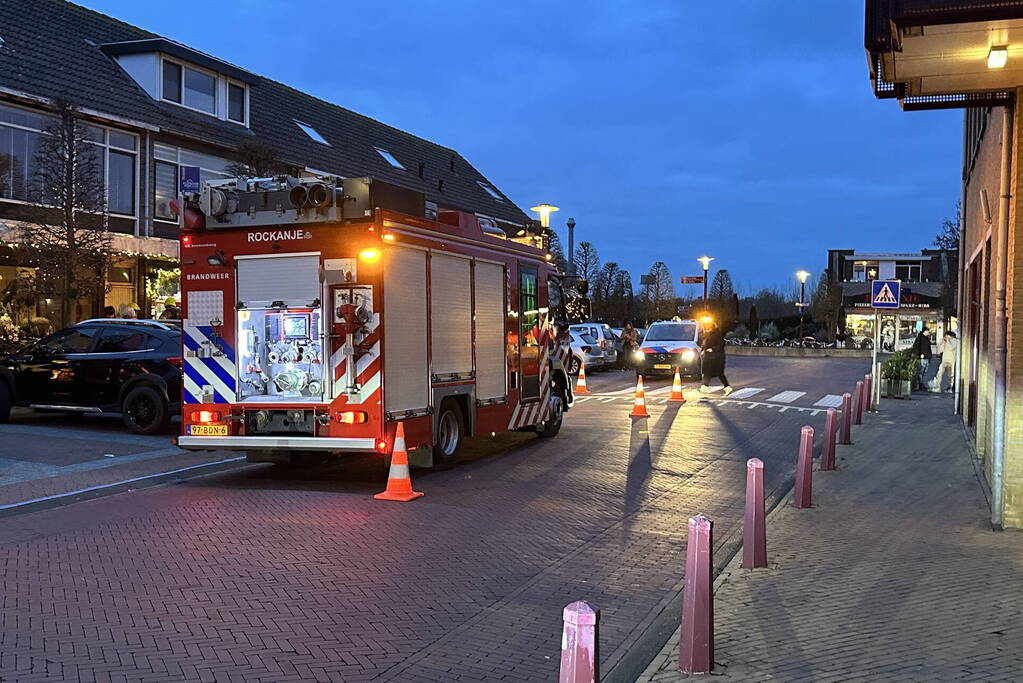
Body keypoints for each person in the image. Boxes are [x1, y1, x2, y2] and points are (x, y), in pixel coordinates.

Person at [699, 319, 732, 396]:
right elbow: (706, 344)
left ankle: (727, 387)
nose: (706, 328)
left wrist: (712, 349)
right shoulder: (709, 334)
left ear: (712, 327)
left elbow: (721, 345)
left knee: (719, 373)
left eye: (708, 326)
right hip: (710, 357)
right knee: (707, 372)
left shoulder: (717, 334)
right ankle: (704, 387)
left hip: (717, 357)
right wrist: (704, 350)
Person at [910, 326, 933, 391]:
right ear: (925, 331)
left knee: (922, 371)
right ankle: (920, 384)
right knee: (921, 371)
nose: (928, 332)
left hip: (925, 357)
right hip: (922, 357)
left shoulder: (924, 338)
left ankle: (921, 384)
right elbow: (916, 347)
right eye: (928, 331)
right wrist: (919, 355)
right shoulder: (920, 338)